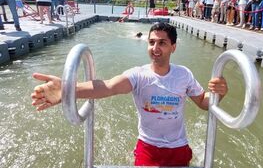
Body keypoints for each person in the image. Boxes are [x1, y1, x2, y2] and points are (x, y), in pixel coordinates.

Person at [31, 22, 228, 167]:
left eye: (162, 43)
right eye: (151, 42)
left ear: (173, 47)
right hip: (148, 147)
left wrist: (219, 93)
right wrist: (66, 90)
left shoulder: (183, 74)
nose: (155, 48)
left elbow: (203, 102)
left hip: (178, 147)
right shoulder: (138, 75)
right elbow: (107, 86)